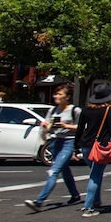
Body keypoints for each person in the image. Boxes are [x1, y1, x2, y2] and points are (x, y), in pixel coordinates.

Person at [25, 83, 82, 211]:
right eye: (55, 94)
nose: (56, 96)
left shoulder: (75, 110)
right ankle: (75, 196)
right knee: (65, 170)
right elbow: (48, 127)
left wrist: (66, 126)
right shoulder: (52, 110)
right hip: (55, 142)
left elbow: (82, 127)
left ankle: (39, 201)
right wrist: (46, 127)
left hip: (68, 142)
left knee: (54, 171)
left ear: (67, 97)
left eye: (59, 94)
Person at [75, 81, 111, 217]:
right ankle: (88, 207)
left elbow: (80, 129)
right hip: (100, 145)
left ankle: (96, 200)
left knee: (95, 173)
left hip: (85, 145)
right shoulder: (109, 110)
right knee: (95, 176)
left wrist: (75, 146)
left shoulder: (86, 109)